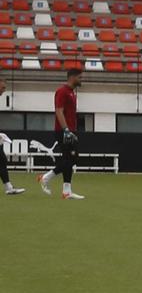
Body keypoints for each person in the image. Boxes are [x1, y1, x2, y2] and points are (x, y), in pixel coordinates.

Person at [41, 66, 85, 200]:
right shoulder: (62, 91)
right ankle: (46, 177)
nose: (81, 79)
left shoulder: (71, 92)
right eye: (79, 77)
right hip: (63, 131)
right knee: (72, 158)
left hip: (70, 131)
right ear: (72, 77)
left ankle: (66, 191)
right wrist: (66, 130)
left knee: (70, 159)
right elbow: (59, 111)